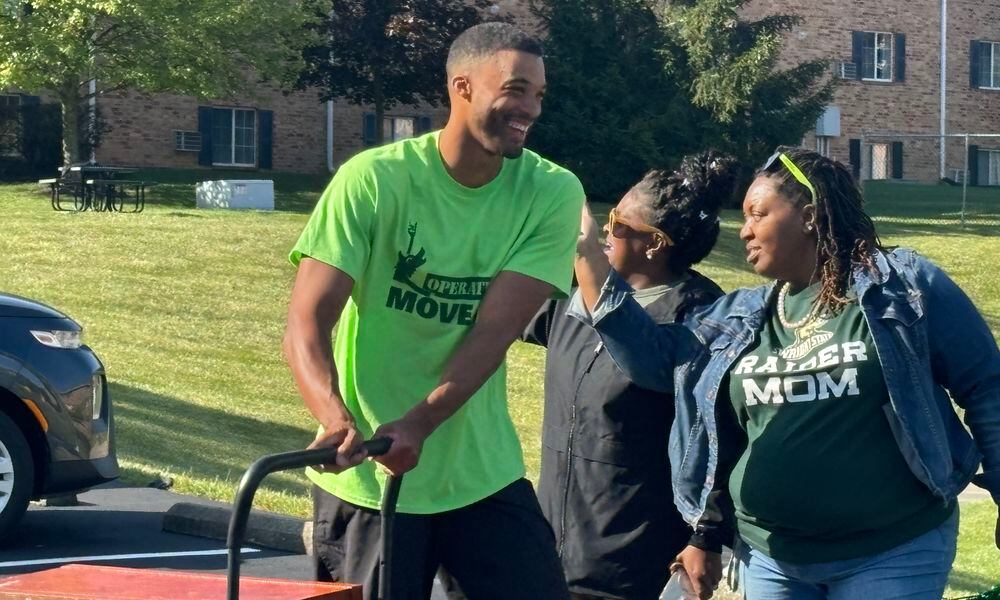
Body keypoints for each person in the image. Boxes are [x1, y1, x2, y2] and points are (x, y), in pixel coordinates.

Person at [572, 147, 1000, 599]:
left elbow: (987, 385)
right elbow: (652, 358)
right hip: (771, 560)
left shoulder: (902, 287)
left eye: (757, 214)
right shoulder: (736, 320)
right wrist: (584, 251)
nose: (745, 232)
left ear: (809, 215)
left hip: (894, 551)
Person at [283, 22, 585, 600]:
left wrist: (419, 423)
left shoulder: (551, 192)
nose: (531, 109)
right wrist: (332, 416)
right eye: (517, 90)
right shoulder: (372, 180)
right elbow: (306, 321)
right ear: (462, 87)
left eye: (539, 95)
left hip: (481, 475)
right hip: (367, 484)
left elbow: (493, 332)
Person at [522, 153, 732, 600]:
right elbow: (495, 310)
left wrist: (705, 537)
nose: (604, 231)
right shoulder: (572, 296)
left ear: (654, 243)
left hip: (632, 562)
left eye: (616, 222)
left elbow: (718, 440)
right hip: (552, 553)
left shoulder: (699, 319)